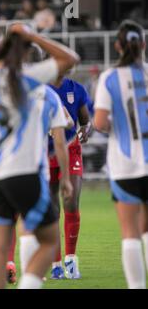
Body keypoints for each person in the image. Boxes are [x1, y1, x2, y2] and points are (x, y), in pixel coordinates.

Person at [0, 23, 78, 289]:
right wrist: (33, 35)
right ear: (26, 52)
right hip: (24, 172)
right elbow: (69, 59)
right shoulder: (32, 80)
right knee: (48, 240)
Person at [94, 20, 148, 289]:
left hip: (125, 164)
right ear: (144, 45)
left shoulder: (110, 78)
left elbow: (100, 122)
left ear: (117, 45)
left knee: (130, 233)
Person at [47, 75, 93, 279]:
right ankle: (55, 263)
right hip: (46, 153)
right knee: (52, 210)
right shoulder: (38, 89)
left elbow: (85, 122)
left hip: (71, 149)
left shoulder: (76, 88)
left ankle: (71, 260)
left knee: (71, 201)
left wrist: (85, 131)